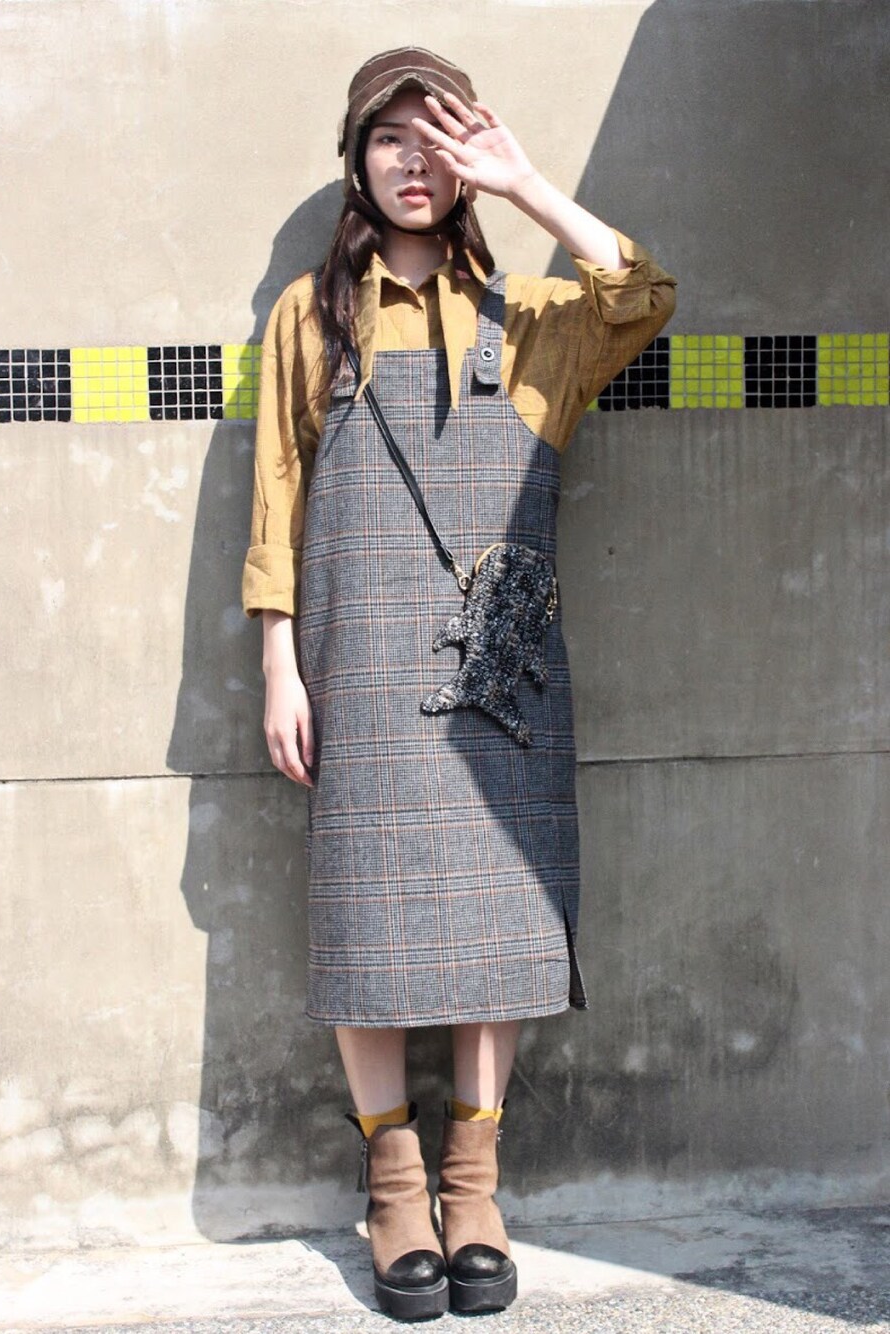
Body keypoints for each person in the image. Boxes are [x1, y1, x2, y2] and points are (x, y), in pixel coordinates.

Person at [242, 46, 676, 1322]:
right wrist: (278, 660)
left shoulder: (535, 318)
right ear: (356, 162)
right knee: (366, 925)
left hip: (503, 674)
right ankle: (393, 1187)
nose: (414, 162)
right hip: (358, 660)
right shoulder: (309, 315)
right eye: (390, 138)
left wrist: (527, 183)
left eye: (436, 139)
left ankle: (473, 1187)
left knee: (496, 929)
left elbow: (644, 292)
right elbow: (277, 495)